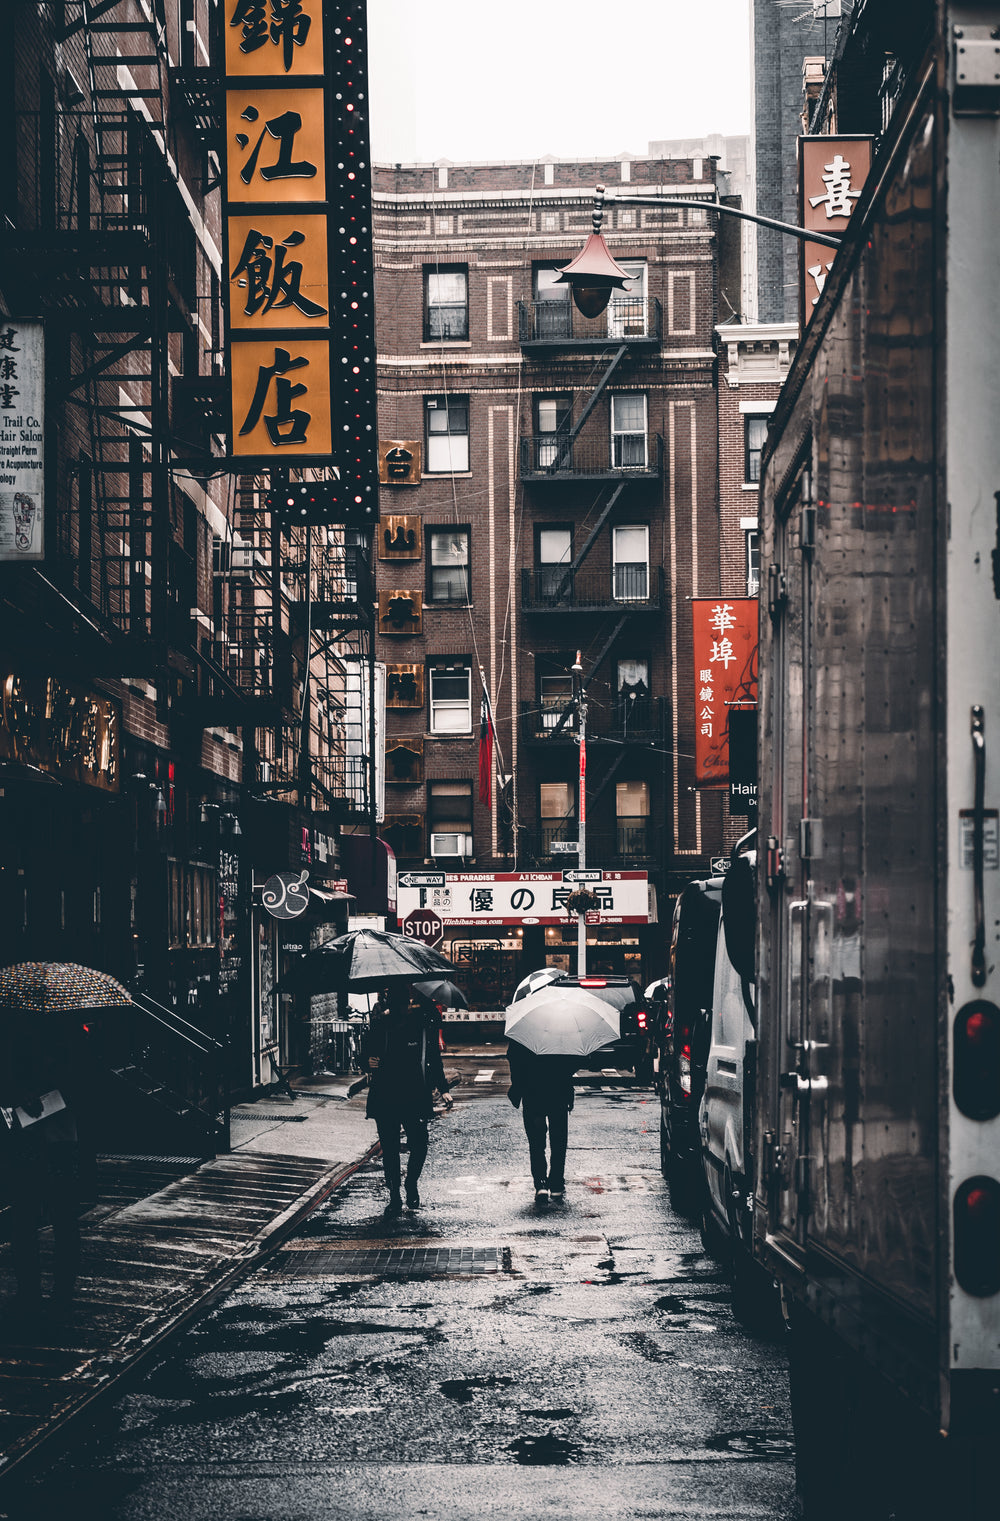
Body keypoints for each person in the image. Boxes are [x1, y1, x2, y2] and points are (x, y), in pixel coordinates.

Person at [0, 1017, 84, 1327]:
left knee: (39, 1219)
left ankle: (43, 1293)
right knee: (45, 1219)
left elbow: (79, 1083)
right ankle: (46, 1293)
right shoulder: (63, 1035)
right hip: (46, 1138)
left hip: (48, 1139)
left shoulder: (24, 1035)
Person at [362, 987, 453, 1214]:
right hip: (386, 1094)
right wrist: (368, 1062)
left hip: (414, 1094)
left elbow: (433, 1059)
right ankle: (394, 1194)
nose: (402, 1009)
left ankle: (410, 1183)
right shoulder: (378, 1027)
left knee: (419, 1144)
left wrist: (443, 1088)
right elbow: (365, 1057)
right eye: (398, 1004)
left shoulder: (421, 1028)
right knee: (390, 1149)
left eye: (405, 1004)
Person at [506, 1039, 577, 1200]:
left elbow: (513, 1059)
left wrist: (518, 1086)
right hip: (558, 1092)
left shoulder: (523, 1034)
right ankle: (557, 1183)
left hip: (532, 1093)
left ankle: (541, 1183)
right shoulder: (562, 1033)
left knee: (536, 1142)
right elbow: (573, 1063)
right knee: (558, 1141)